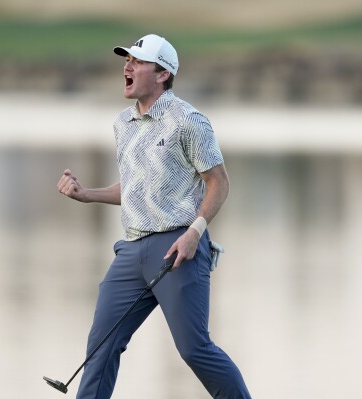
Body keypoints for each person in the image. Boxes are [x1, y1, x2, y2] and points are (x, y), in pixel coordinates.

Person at [57, 34, 251, 399]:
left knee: (195, 350)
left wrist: (195, 233)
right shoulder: (123, 124)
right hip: (131, 253)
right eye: (126, 60)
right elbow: (134, 188)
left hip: (178, 248)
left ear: (163, 74)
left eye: (138, 61)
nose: (127, 67)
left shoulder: (189, 121)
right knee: (101, 347)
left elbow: (218, 183)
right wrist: (87, 195)